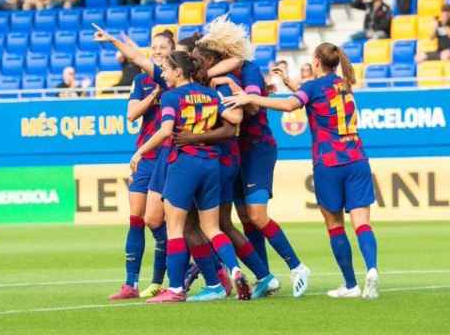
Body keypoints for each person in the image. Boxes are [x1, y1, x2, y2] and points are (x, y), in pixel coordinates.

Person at [224, 42, 379, 299]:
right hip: (357, 160)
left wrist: (251, 97)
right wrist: (289, 84)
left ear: (316, 61)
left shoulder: (312, 87)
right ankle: (372, 270)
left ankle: (351, 285)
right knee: (362, 223)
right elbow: (313, 99)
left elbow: (289, 106)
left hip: (329, 163)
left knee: (335, 226)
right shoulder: (343, 84)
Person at [201, 16, 311, 298]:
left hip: (258, 148)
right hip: (237, 153)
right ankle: (265, 276)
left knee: (257, 215)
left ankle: (297, 266)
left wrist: (232, 85)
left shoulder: (249, 70)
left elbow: (250, 107)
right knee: (246, 219)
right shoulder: (218, 73)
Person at [128, 51, 248, 303]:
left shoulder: (172, 96)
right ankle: (234, 269)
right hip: (211, 164)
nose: (164, 73)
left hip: (184, 164)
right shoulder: (209, 93)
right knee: (212, 227)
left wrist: (140, 151)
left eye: (167, 69)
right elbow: (235, 118)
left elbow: (166, 131)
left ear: (178, 72)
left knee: (175, 228)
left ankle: (175, 289)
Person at [96, 27, 175, 300]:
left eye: (162, 47)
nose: (157, 51)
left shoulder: (175, 79)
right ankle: (130, 284)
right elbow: (131, 114)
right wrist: (153, 95)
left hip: (168, 156)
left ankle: (165, 278)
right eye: (154, 47)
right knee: (136, 218)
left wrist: (114, 41)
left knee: (159, 220)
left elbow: (136, 57)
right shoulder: (143, 81)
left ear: (172, 51)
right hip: (144, 155)